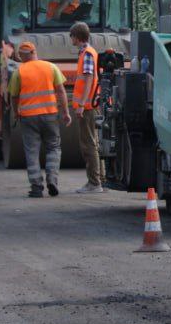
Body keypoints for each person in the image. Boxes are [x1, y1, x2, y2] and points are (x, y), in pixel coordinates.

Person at [8, 40, 72, 198]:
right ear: (34, 52)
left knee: (32, 151)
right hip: (50, 114)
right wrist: (65, 112)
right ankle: (52, 180)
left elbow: (14, 96)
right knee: (53, 148)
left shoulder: (19, 72)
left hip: (28, 118)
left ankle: (36, 187)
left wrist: (16, 112)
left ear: (22, 57)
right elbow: (61, 91)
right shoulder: (51, 67)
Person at [68, 22, 105, 194]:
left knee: (88, 144)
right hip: (90, 105)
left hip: (88, 106)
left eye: (72, 36)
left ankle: (94, 183)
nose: (71, 39)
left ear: (76, 37)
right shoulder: (86, 53)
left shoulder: (87, 54)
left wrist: (81, 105)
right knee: (93, 143)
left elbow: (89, 79)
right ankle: (100, 180)